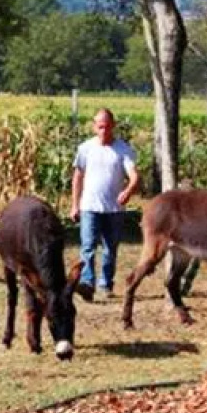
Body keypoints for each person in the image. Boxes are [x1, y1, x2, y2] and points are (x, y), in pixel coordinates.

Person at [70, 108, 139, 301]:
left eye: (107, 127)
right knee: (88, 247)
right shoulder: (85, 148)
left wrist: (128, 191)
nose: (104, 131)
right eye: (100, 127)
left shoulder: (123, 149)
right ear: (94, 127)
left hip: (114, 209)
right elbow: (78, 177)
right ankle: (87, 283)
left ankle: (106, 283)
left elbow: (134, 176)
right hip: (89, 206)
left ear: (113, 126)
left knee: (110, 249)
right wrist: (75, 204)